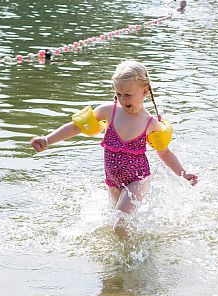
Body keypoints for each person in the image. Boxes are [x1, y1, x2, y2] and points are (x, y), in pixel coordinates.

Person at [30, 60, 198, 237]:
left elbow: (164, 153)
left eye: (128, 95)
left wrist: (183, 173)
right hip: (113, 180)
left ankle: (135, 253)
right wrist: (47, 140)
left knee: (119, 224)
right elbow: (76, 127)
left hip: (137, 180)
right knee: (118, 224)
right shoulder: (109, 111)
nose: (123, 99)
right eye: (119, 94)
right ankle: (132, 250)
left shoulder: (151, 123)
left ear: (145, 91)